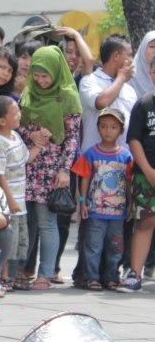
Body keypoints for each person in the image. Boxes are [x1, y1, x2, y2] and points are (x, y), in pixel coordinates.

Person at [19, 45, 82, 290]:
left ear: (56, 72)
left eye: (46, 75)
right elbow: (17, 125)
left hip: (52, 168)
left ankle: (45, 273)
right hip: (28, 164)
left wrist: (64, 170)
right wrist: (31, 134)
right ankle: (21, 271)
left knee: (46, 221)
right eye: (37, 74)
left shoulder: (68, 96)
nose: (41, 80)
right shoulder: (29, 92)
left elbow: (71, 138)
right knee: (26, 221)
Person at [72, 108, 132, 291]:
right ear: (98, 129)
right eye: (104, 126)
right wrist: (82, 201)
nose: (108, 131)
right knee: (93, 245)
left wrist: (130, 204)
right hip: (95, 210)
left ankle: (112, 276)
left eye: (113, 127)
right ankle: (91, 276)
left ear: (121, 131)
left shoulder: (126, 156)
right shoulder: (91, 154)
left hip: (118, 212)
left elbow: (129, 182)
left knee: (115, 246)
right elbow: (84, 178)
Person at [0, 94, 38, 291]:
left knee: (20, 240)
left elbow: (26, 159)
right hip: (9, 200)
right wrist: (10, 201)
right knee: (8, 239)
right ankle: (3, 276)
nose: (19, 115)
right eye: (14, 113)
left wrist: (39, 145)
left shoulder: (15, 136)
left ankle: (13, 275)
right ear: (2, 120)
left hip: (21, 198)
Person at [119, 55, 155, 292]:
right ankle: (135, 273)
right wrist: (149, 170)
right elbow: (133, 139)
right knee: (145, 222)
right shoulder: (143, 103)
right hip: (146, 174)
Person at [79, 34, 136, 153]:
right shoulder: (89, 81)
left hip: (124, 162)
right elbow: (101, 102)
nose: (131, 61)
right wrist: (121, 78)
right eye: (129, 55)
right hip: (93, 163)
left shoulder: (129, 89)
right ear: (116, 56)